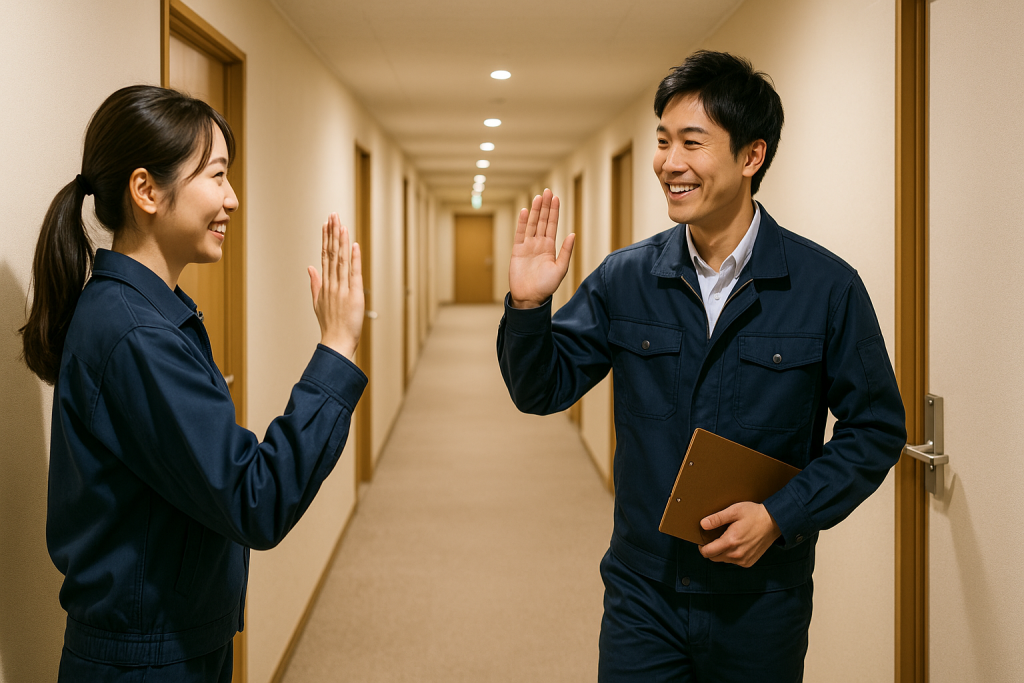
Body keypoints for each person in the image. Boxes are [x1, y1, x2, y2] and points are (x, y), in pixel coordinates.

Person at [496, 51, 906, 682]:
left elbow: (875, 429)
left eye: (692, 141)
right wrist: (528, 307)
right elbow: (541, 389)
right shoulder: (626, 279)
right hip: (643, 589)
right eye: (662, 141)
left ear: (751, 156)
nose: (669, 163)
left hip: (762, 597)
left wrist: (781, 515)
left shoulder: (826, 288)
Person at [19, 85, 366, 682]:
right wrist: (336, 346)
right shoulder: (135, 335)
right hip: (147, 664)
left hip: (170, 645)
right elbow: (255, 498)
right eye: (217, 175)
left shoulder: (146, 315)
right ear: (147, 190)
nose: (232, 198)